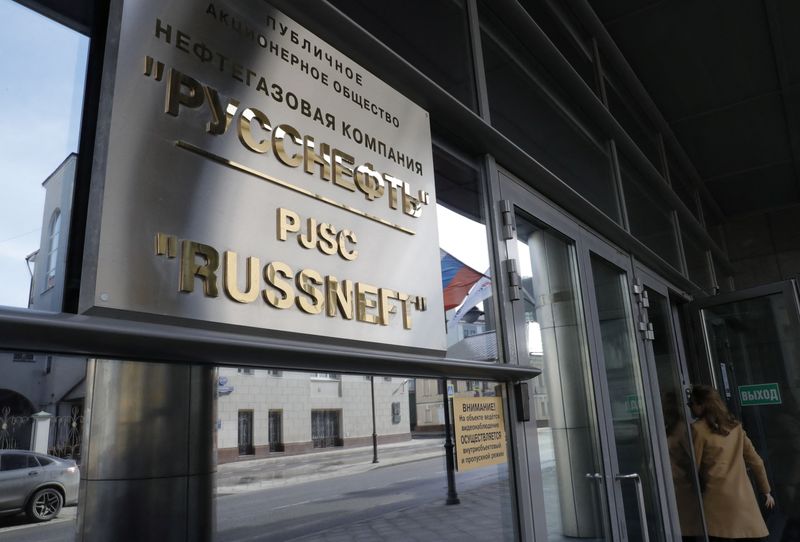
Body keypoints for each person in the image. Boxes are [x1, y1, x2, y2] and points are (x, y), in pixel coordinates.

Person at [689, 384, 775, 541]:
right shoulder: (735, 427)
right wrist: (766, 491)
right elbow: (757, 462)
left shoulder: (697, 429)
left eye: (691, 404)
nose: (690, 407)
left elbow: (693, 467)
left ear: (702, 405)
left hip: (716, 504)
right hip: (744, 503)